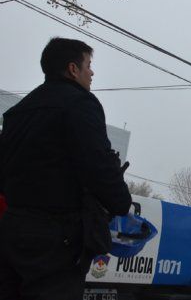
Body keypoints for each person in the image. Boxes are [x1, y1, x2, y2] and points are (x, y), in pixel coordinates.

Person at [0, 38, 132, 300]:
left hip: (11, 231)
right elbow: (97, 163)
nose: (91, 73)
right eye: (88, 65)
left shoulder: (17, 112)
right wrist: (120, 202)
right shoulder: (80, 103)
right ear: (73, 69)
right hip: (55, 239)